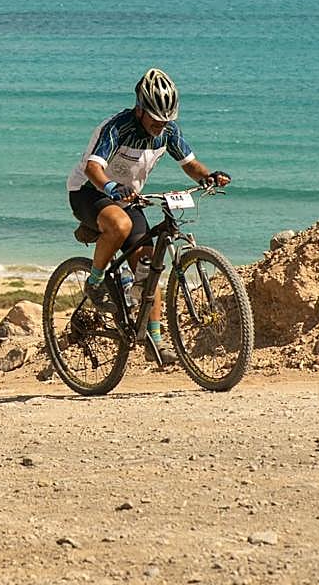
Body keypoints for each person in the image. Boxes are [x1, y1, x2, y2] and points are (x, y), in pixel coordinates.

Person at [66, 68, 231, 364]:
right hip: (89, 191)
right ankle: (95, 281)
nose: (160, 126)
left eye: (166, 120)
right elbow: (92, 168)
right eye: (155, 119)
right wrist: (112, 187)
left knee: (148, 266)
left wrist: (208, 176)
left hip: (127, 197)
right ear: (140, 109)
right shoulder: (118, 127)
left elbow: (190, 164)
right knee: (121, 224)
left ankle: (155, 340)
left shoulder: (167, 130)